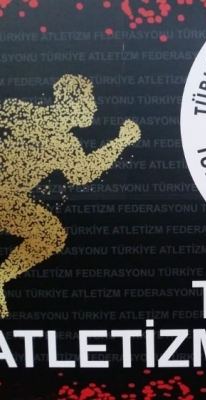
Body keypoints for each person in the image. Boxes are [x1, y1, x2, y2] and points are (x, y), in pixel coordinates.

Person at [0, 74, 141, 318]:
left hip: (10, 200)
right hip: (6, 198)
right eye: (89, 100)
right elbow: (83, 173)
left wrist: (120, 143)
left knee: (51, 235)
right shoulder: (28, 116)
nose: (94, 107)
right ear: (73, 102)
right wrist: (121, 142)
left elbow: (82, 174)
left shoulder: (62, 140)